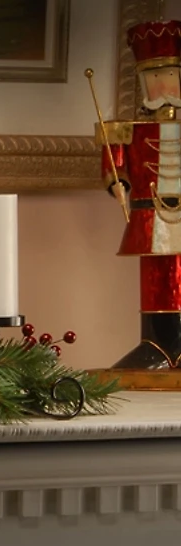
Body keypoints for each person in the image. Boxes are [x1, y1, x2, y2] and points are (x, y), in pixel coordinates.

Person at [97, 19, 181, 369]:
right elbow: (116, 165)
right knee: (154, 278)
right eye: (152, 77)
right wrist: (118, 183)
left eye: (169, 76)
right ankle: (156, 345)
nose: (161, 85)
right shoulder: (128, 129)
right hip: (149, 213)